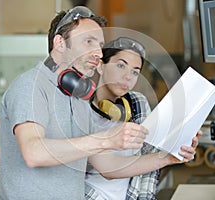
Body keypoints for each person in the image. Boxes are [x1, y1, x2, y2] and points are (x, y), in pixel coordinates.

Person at [0, 5, 198, 200]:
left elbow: (108, 167)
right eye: (89, 42)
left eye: (100, 45)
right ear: (59, 43)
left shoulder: (78, 99)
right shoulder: (31, 86)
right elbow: (34, 152)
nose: (99, 53)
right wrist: (106, 139)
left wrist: (169, 157)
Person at [84, 37, 202, 200]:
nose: (128, 76)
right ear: (100, 66)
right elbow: (109, 169)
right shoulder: (81, 110)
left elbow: (148, 163)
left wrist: (176, 147)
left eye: (135, 71)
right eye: (121, 65)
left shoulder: (138, 103)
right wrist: (165, 158)